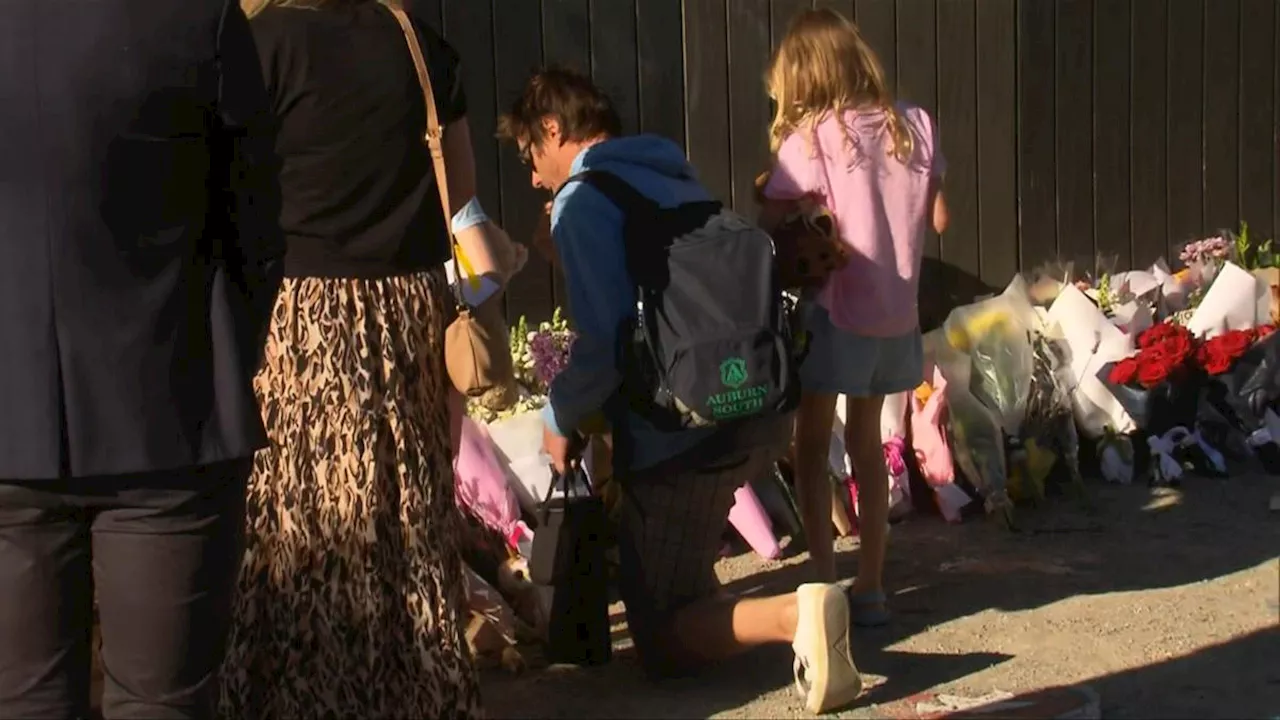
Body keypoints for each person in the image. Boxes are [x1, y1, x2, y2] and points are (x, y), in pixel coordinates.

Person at [499, 67, 863, 715]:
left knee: (662, 637)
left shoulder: (584, 201)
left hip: (677, 429)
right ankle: (764, 613)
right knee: (679, 578)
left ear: (553, 130)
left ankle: (796, 615)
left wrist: (561, 415)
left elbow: (608, 337)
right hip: (753, 402)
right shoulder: (667, 173)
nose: (532, 174)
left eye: (532, 152)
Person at [218, 1, 517, 716]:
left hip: (299, 324)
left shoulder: (258, 46)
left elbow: (226, 202)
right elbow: (464, 215)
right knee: (406, 522)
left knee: (299, 526)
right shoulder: (422, 44)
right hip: (410, 316)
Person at [0, 1, 284, 718]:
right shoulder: (199, 14)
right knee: (164, 704)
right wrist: (222, 352)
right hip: (169, 408)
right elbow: (255, 227)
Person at [759, 9, 949, 625]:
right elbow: (940, 219)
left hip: (836, 312)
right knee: (869, 444)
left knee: (811, 446)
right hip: (896, 316)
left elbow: (770, 218)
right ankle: (871, 588)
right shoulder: (915, 124)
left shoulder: (810, 140)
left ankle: (822, 586)